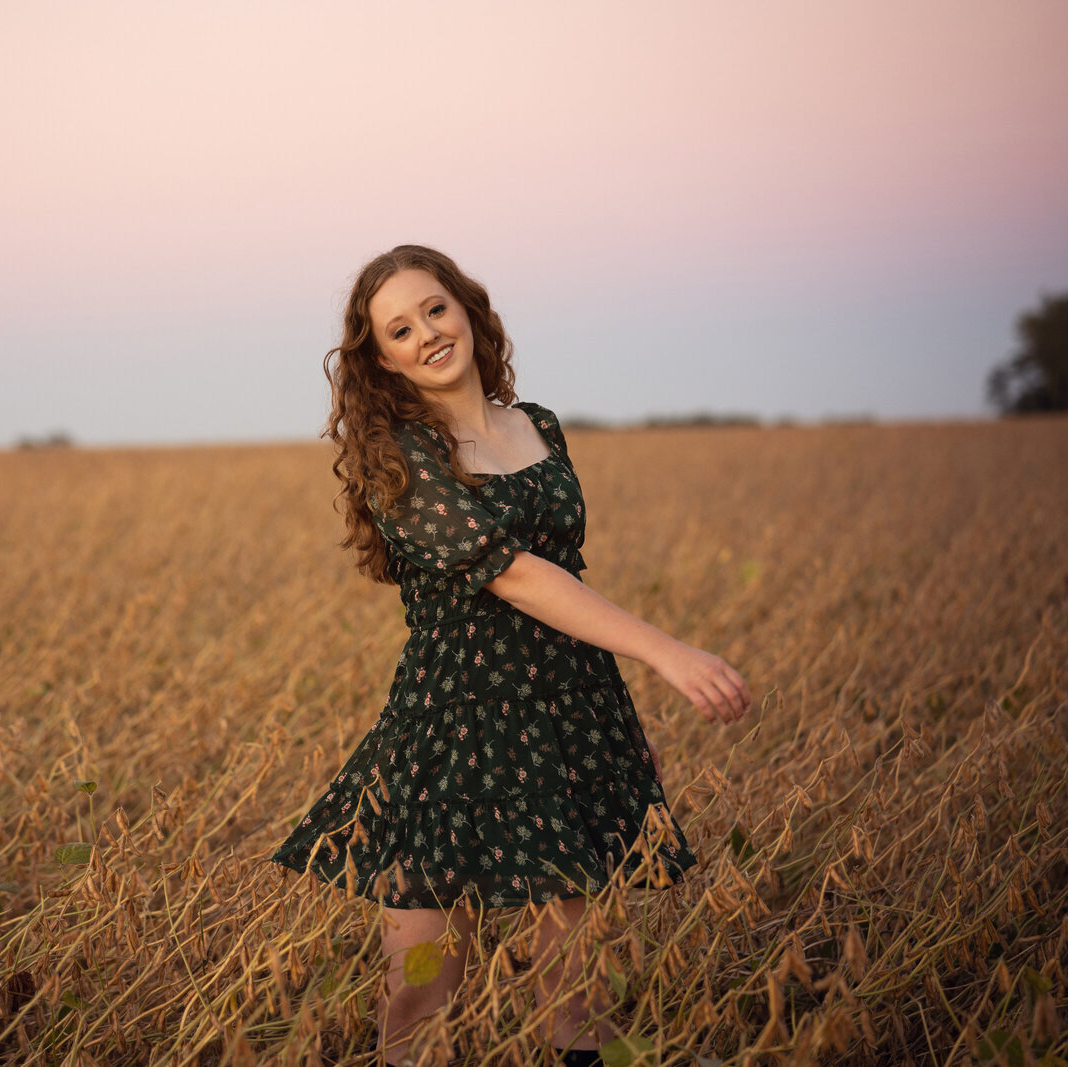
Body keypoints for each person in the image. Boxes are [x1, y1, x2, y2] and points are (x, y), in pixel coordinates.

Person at [268, 245, 751, 1066]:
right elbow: (518, 574)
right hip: (456, 731)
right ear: (380, 358)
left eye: (435, 309)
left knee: (578, 987)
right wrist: (665, 650)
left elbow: (571, 573)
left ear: (467, 311)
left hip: (566, 714)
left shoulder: (542, 427)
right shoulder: (405, 457)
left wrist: (616, 723)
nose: (426, 333)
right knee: (421, 986)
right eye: (399, 328)